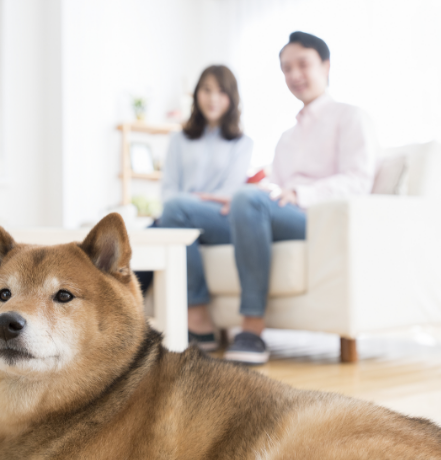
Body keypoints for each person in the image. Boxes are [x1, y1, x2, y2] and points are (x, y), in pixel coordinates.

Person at [213, 31, 377, 364]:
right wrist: (251, 198)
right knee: (183, 211)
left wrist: (298, 193)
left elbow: (358, 181)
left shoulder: (351, 117)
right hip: (276, 212)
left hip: (316, 217)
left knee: (248, 200)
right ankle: (194, 327)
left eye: (303, 64)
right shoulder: (287, 138)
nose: (294, 75)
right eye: (286, 68)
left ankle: (253, 329)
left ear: (326, 66)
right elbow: (276, 187)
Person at [152, 65, 253, 352]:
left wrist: (186, 203)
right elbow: (168, 188)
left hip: (222, 221)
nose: (212, 98)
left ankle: (197, 315)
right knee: (147, 233)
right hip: (180, 218)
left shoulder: (242, 143)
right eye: (206, 90)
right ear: (196, 95)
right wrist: (185, 204)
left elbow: (229, 194)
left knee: (173, 213)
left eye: (221, 91)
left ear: (232, 98)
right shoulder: (178, 140)